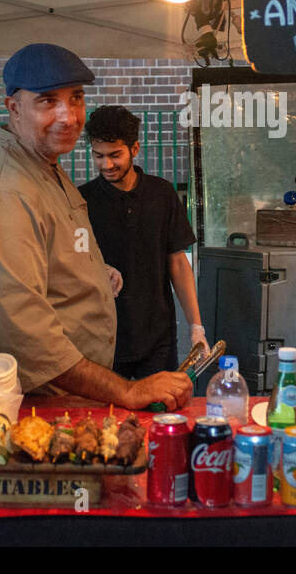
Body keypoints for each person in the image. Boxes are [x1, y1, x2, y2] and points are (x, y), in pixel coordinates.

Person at [0, 43, 191, 411]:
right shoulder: (4, 193)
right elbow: (29, 337)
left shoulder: (43, 166)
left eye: (75, 98)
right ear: (14, 108)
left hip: (67, 399)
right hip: (28, 410)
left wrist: (88, 272)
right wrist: (127, 391)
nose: (69, 117)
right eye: (48, 101)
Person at [79, 105, 206, 379]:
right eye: (98, 156)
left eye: (115, 155)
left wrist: (196, 326)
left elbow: (178, 263)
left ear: (134, 149)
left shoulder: (162, 194)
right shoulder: (82, 201)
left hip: (157, 338)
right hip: (103, 340)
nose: (106, 165)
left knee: (160, 416)